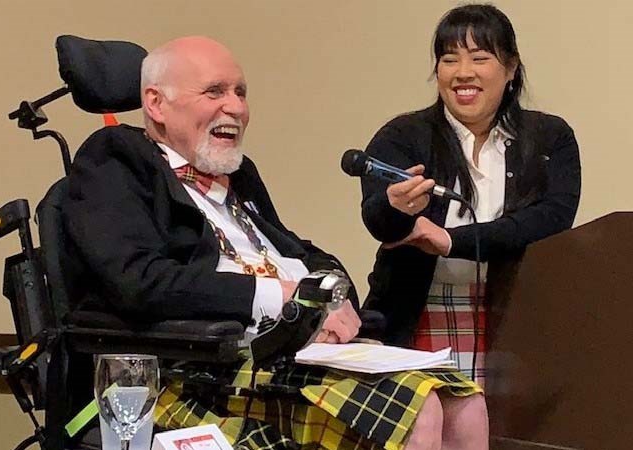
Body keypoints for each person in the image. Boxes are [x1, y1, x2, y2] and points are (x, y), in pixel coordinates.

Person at [63, 36, 488, 449]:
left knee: (465, 402)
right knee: (419, 411)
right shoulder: (116, 158)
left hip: (284, 351)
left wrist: (330, 294)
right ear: (156, 104)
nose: (236, 107)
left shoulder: (237, 174)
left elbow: (293, 250)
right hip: (199, 367)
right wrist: (283, 296)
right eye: (215, 92)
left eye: (240, 92)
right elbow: (138, 280)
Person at [360, 4, 581, 384]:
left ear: (510, 69)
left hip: (518, 319)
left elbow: (551, 219)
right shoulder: (402, 135)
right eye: (449, 60)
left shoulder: (550, 137)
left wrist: (451, 240)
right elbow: (379, 219)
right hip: (415, 315)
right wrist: (395, 207)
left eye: (480, 58)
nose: (463, 73)